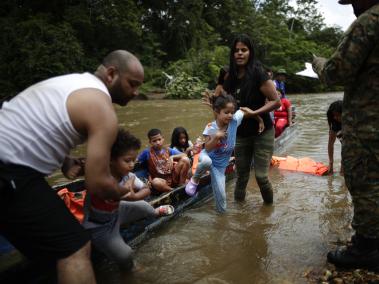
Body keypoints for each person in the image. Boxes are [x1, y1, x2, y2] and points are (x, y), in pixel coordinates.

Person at [0, 50, 144, 284]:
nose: (136, 93)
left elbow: (35, 124)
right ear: (111, 74)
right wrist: (122, 190)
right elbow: (96, 184)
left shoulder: (74, 83)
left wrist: (65, 160)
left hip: (13, 163)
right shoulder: (102, 109)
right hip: (9, 168)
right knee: (76, 248)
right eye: (132, 84)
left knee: (49, 255)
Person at [312, 0, 379, 270]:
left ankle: (366, 247)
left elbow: (335, 71)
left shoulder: (369, 22)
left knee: (364, 180)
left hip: (368, 122)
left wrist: (318, 63)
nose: (352, 6)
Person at [83, 129, 174, 270]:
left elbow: (146, 189)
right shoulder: (100, 175)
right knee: (125, 255)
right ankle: (130, 271)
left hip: (117, 210)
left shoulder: (128, 175)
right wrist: (127, 190)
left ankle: (154, 213)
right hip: (100, 225)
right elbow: (113, 191)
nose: (132, 165)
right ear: (111, 160)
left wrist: (134, 196)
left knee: (144, 206)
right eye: (127, 161)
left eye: (134, 160)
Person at [218, 34, 281, 204]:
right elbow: (224, 106)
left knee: (261, 176)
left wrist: (254, 114)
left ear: (250, 53)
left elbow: (276, 101)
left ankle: (268, 211)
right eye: (236, 50)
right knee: (241, 177)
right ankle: (239, 216)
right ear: (232, 54)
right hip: (240, 134)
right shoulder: (229, 78)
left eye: (243, 50)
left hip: (263, 132)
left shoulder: (258, 74)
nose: (239, 53)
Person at [185, 94, 264, 213]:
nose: (230, 115)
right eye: (227, 112)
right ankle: (195, 179)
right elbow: (207, 148)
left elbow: (245, 110)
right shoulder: (210, 127)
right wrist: (216, 137)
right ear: (217, 111)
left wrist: (260, 120)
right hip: (207, 156)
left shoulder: (234, 121)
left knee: (222, 198)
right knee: (206, 161)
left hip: (220, 167)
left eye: (232, 112)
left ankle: (220, 220)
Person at [326, 100, 343, 175]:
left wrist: (343, 164)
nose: (335, 118)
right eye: (334, 116)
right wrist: (331, 163)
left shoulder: (352, 122)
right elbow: (330, 144)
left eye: (338, 115)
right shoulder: (335, 124)